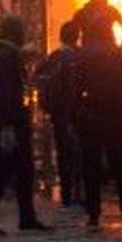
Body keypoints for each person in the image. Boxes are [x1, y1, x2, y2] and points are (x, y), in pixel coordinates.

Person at [0, 15, 52, 236]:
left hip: (11, 119)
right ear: (15, 32)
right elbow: (6, 92)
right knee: (0, 169)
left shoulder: (3, 54)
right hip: (8, 122)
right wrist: (8, 126)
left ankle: (27, 217)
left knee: (24, 170)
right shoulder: (5, 56)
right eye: (22, 30)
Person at [73, 8, 122, 231]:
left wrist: (77, 112)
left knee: (90, 165)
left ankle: (93, 215)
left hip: (90, 113)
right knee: (120, 165)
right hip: (114, 115)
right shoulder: (120, 53)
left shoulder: (83, 54)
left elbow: (76, 86)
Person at [35, 21, 84, 208]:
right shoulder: (76, 56)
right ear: (76, 36)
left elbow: (38, 73)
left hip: (57, 113)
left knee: (63, 154)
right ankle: (77, 194)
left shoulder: (54, 56)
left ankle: (66, 195)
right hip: (73, 113)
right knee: (78, 154)